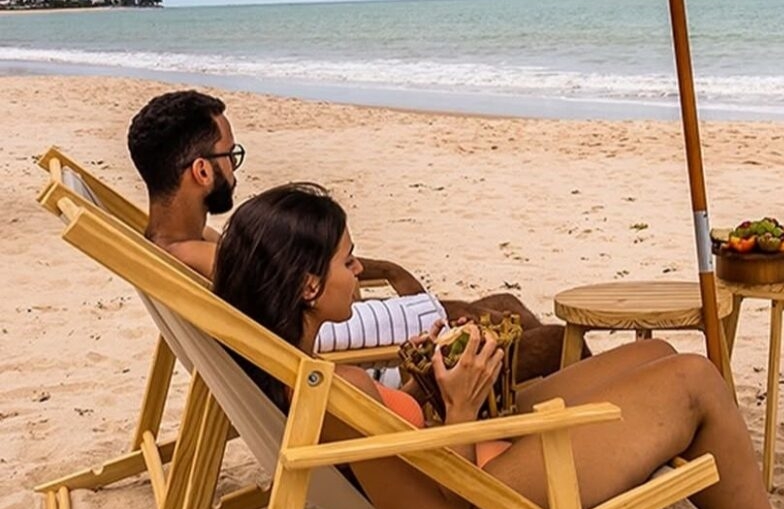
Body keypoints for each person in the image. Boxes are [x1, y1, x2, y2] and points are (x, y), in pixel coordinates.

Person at [212, 183, 784, 509]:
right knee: (694, 380)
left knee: (657, 354)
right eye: (349, 262)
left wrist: (428, 392)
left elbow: (403, 457)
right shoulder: (336, 396)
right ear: (305, 285)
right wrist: (460, 407)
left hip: (478, 460)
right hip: (487, 507)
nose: (359, 272)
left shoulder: (307, 368)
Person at [126, 89, 575, 378]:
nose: (235, 167)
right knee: (555, 341)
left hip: (344, 340)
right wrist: (388, 281)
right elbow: (313, 305)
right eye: (231, 154)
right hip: (357, 355)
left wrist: (385, 271)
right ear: (202, 170)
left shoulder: (175, 244)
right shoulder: (194, 257)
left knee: (509, 310)